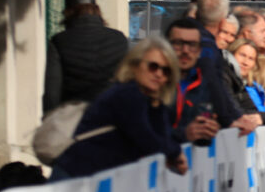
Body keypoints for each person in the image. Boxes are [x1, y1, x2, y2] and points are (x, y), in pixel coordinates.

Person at [51, 37, 188, 180]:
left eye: (166, 71)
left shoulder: (148, 99)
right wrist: (175, 152)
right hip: (74, 177)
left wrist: (156, 105)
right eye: (153, 66)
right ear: (135, 65)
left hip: (94, 179)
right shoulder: (127, 93)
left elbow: (162, 135)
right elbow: (145, 138)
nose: (159, 74)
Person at [43, 0, 129, 111]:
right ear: (96, 9)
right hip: (113, 115)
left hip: (74, 119)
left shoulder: (59, 41)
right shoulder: (119, 39)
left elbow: (52, 94)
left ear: (68, 11)